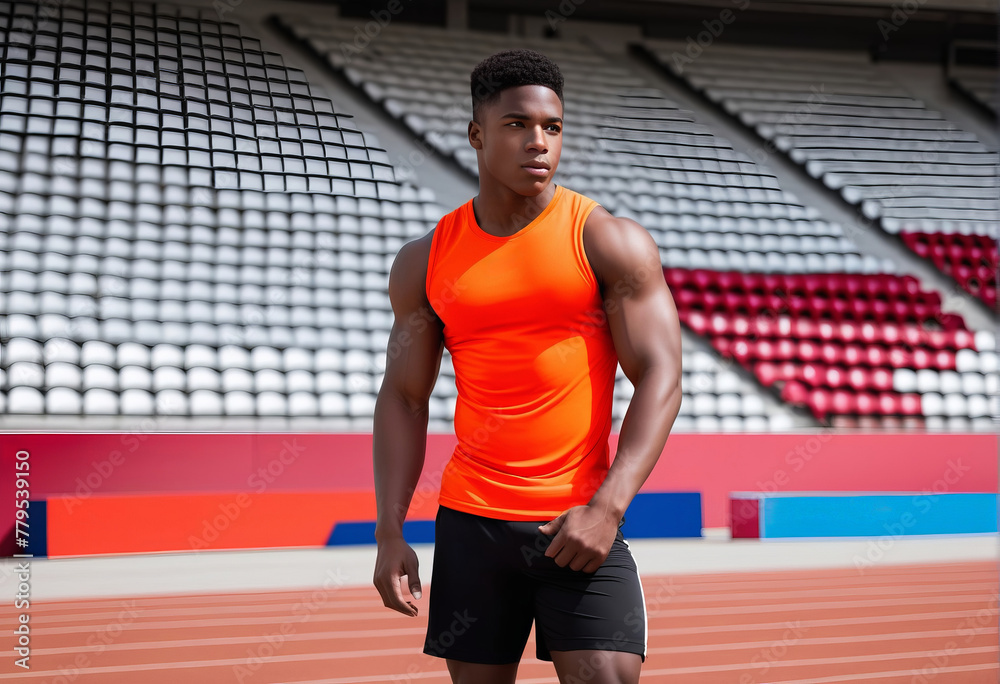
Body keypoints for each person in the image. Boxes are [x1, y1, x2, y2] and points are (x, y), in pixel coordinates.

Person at [372, 48, 682, 684]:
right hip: (471, 526)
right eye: (517, 125)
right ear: (478, 135)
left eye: (552, 127)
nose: (538, 142)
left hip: (577, 521)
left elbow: (661, 373)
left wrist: (609, 507)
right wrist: (389, 532)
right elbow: (403, 398)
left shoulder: (606, 240)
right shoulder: (425, 261)